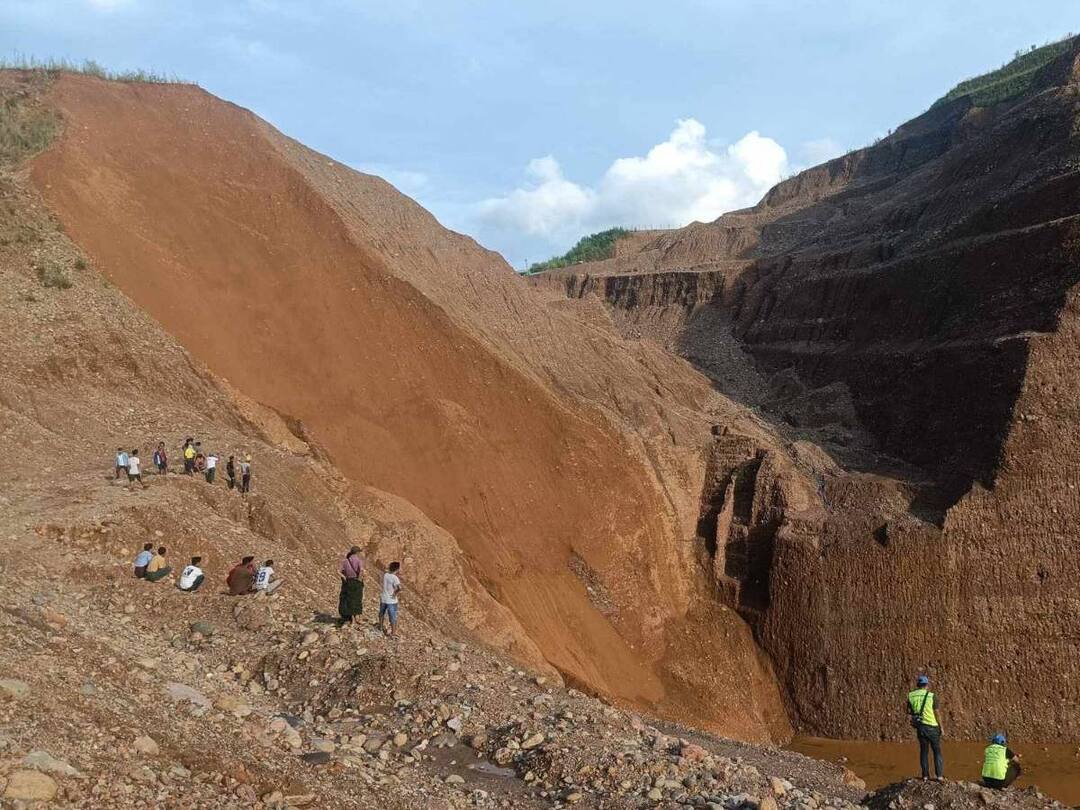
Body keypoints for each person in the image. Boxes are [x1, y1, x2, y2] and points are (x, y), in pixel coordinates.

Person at [907, 674, 943, 780]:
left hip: (921, 728)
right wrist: (942, 727)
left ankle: (925, 776)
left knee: (924, 752)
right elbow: (937, 713)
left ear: (918, 685)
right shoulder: (932, 696)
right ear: (927, 685)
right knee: (937, 752)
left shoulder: (911, 695)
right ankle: (939, 776)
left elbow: (910, 713)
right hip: (932, 727)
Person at [338, 546, 364, 627]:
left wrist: (344, 577)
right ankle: (356, 619)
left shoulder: (345, 561)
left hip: (348, 582)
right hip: (356, 581)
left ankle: (351, 619)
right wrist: (359, 579)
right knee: (357, 599)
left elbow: (339, 571)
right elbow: (361, 571)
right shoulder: (359, 561)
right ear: (357, 552)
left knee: (349, 600)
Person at [378, 561, 402, 637]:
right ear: (397, 569)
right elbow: (399, 588)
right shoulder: (395, 578)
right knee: (392, 616)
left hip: (384, 598)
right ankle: (393, 633)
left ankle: (380, 627)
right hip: (391, 601)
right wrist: (394, 594)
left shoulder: (386, 575)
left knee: (381, 613)